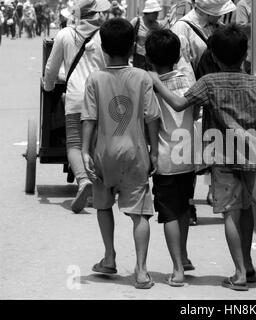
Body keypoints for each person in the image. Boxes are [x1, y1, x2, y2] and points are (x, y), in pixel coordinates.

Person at [149, 24, 256, 291]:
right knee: (245, 208)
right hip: (252, 154)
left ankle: (239, 274)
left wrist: (155, 82)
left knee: (230, 214)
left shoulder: (208, 82)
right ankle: (247, 264)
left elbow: (177, 104)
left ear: (215, 58)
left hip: (223, 154)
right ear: (244, 54)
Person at [81, 17, 161, 289]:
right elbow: (151, 117)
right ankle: (141, 271)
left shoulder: (94, 79)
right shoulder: (142, 77)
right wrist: (154, 152)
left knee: (103, 206)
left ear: (102, 48)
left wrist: (84, 151)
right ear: (132, 48)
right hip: (135, 153)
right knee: (140, 214)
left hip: (103, 155)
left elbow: (89, 118)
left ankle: (109, 256)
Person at [171, 0, 236, 226]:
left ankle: (215, 192)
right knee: (189, 153)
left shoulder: (216, 28)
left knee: (215, 147)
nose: (221, 17)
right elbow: (182, 68)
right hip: (196, 99)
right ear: (203, 10)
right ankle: (188, 204)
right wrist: (197, 99)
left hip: (216, 98)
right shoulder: (182, 28)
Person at [43, 0, 111, 213]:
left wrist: (48, 86)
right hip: (101, 94)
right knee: (97, 143)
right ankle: (98, 191)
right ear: (98, 13)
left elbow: (51, 68)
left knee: (74, 142)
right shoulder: (106, 35)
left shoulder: (65, 35)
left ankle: (82, 180)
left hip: (74, 96)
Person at [145, 29, 197, 287]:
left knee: (169, 214)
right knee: (184, 208)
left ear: (148, 58)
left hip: (165, 159)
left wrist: (152, 152)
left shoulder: (150, 85)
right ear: (177, 57)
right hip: (187, 156)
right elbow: (193, 110)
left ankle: (177, 268)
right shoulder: (188, 78)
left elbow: (152, 121)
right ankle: (184, 256)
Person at [130, 0, 162, 71]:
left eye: (157, 13)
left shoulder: (158, 26)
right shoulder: (136, 22)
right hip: (138, 58)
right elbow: (127, 35)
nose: (157, 15)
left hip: (152, 60)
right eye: (155, 13)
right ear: (148, 13)